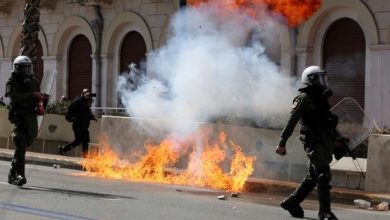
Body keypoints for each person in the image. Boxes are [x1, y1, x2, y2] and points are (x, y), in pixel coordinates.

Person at [275, 66, 342, 220]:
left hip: (324, 140)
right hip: (312, 140)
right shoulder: (303, 98)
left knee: (313, 176)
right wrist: (282, 142)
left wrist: (337, 139)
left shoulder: (322, 99)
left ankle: (292, 202)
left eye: (322, 78)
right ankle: (324, 213)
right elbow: (292, 121)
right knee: (323, 173)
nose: (322, 82)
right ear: (310, 80)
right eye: (318, 79)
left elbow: (326, 121)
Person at [5, 55, 42, 186]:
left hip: (31, 118)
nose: (26, 71)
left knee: (25, 144)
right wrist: (32, 95)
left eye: (28, 68)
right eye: (23, 68)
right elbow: (15, 98)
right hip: (18, 117)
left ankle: (11, 173)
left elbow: (38, 98)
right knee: (20, 142)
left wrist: (42, 103)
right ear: (17, 68)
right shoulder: (12, 81)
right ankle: (20, 175)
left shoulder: (34, 82)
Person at [58, 89, 96, 158]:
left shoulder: (85, 103)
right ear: (83, 94)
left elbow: (86, 113)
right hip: (78, 125)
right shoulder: (79, 100)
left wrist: (93, 117)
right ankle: (85, 157)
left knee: (78, 141)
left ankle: (63, 149)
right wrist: (83, 97)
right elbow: (75, 105)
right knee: (85, 140)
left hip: (83, 125)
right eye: (86, 94)